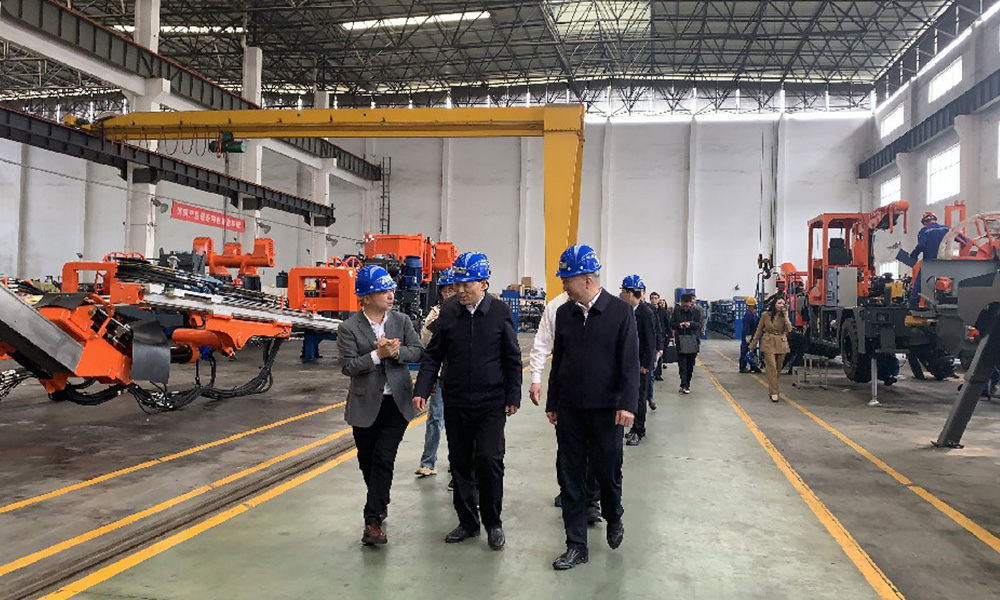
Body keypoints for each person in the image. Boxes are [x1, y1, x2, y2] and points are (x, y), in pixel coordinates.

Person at [413, 252, 522, 551]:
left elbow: (512, 357)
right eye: (457, 285)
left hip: (491, 402)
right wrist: (423, 387)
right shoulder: (449, 312)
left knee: (489, 460)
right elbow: (434, 354)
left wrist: (513, 395)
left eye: (466, 284)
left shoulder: (499, 312)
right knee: (459, 462)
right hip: (457, 400)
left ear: (483, 283)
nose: (460, 290)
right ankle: (467, 522)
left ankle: (493, 523)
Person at [546, 244, 638, 571]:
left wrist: (627, 404)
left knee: (607, 472)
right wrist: (553, 402)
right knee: (569, 476)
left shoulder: (620, 312)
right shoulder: (564, 313)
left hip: (607, 410)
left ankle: (614, 515)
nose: (563, 286)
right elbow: (559, 362)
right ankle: (576, 545)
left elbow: (630, 363)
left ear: (587, 280)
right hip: (570, 409)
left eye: (566, 279)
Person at [337, 265, 423, 546]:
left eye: (391, 290)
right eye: (383, 291)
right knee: (367, 461)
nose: (390, 295)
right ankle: (380, 500)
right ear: (366, 297)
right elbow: (348, 366)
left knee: (384, 458)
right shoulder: (349, 328)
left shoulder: (401, 321)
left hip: (396, 403)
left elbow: (418, 351)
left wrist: (396, 353)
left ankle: (372, 521)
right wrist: (377, 354)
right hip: (365, 404)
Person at [530, 291, 603, 524]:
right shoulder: (557, 308)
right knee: (568, 448)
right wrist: (536, 378)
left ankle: (591, 501)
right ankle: (568, 492)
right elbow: (542, 342)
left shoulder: (607, 308)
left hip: (598, 393)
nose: (566, 284)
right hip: (567, 392)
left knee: (594, 448)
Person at [415, 268, 456, 478]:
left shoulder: (464, 314)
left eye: (451, 289)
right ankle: (428, 462)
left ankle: (457, 462)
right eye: (445, 290)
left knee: (458, 421)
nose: (448, 293)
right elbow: (426, 344)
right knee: (435, 419)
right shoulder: (435, 314)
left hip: (458, 376)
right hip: (440, 375)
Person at [620, 275, 657, 447]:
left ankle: (638, 430)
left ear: (629, 293)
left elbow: (650, 340)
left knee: (639, 398)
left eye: (623, 291)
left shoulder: (645, 313)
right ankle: (632, 426)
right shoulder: (625, 310)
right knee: (628, 396)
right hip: (627, 362)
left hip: (640, 364)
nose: (621, 294)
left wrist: (646, 364)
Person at [749, 296, 793, 402]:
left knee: (778, 369)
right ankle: (774, 392)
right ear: (774, 304)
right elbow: (759, 330)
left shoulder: (784, 317)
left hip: (781, 343)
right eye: (779, 303)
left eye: (783, 303)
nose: (781, 305)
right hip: (768, 342)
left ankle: (772, 388)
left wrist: (786, 316)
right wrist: (752, 345)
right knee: (771, 367)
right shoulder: (765, 315)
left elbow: (789, 329)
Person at [908, 211, 951, 306]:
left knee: (920, 281)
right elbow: (961, 238)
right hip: (946, 262)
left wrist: (913, 255)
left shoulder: (925, 231)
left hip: (930, 261)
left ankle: (913, 303)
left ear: (924, 222)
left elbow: (921, 245)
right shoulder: (946, 228)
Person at [673, 293, 702, 394]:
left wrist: (690, 324)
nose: (685, 308)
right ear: (681, 303)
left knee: (690, 365)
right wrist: (679, 325)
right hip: (681, 341)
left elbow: (699, 325)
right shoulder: (676, 311)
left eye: (687, 306)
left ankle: (687, 384)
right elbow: (671, 324)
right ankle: (683, 384)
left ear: (691, 303)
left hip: (693, 340)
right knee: (682, 365)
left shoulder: (696, 312)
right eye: (683, 305)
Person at [649, 292, 670, 383]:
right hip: (651, 335)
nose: (654, 300)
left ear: (658, 299)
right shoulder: (647, 309)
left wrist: (669, 335)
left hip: (661, 335)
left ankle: (658, 374)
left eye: (655, 298)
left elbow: (667, 323)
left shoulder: (662, 311)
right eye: (652, 298)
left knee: (660, 354)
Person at [739, 297, 762, 374]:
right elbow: (747, 326)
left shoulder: (753, 313)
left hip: (753, 335)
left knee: (753, 351)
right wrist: (748, 336)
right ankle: (742, 367)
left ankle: (753, 366)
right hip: (748, 335)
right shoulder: (748, 314)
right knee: (745, 350)